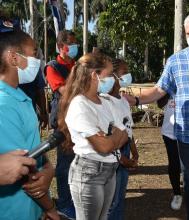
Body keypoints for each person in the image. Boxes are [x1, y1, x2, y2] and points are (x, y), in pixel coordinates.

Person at [124, 11, 189, 220]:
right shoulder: (176, 61)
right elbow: (159, 90)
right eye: (188, 33)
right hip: (187, 136)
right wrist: (136, 100)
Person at [58, 53, 128, 220]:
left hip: (110, 170)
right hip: (89, 174)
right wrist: (112, 136)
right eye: (109, 74)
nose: (113, 79)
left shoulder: (106, 101)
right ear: (94, 75)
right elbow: (103, 146)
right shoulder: (79, 105)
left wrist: (109, 137)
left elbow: (124, 133)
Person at [0, 27, 59, 220]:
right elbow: (24, 172)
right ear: (13, 58)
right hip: (13, 211)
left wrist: (49, 168)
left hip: (30, 208)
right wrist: (50, 208)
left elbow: (31, 151)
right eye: (34, 54)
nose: (38, 60)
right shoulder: (4, 105)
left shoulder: (19, 97)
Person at [45, 30, 78, 219]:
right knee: (65, 164)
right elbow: (65, 91)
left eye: (75, 43)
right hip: (63, 121)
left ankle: (73, 199)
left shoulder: (76, 63)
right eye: (70, 44)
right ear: (60, 46)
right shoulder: (53, 67)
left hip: (79, 118)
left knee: (75, 161)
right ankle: (64, 204)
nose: (74, 47)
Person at [106, 58, 139, 220]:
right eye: (124, 73)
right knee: (111, 200)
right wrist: (123, 158)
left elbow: (129, 130)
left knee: (119, 197)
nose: (128, 76)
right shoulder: (105, 102)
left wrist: (135, 153)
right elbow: (107, 137)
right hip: (113, 155)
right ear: (113, 76)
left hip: (124, 151)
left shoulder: (123, 101)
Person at [157, 95, 182, 210]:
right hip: (170, 133)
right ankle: (177, 194)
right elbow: (159, 103)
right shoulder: (168, 84)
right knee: (174, 163)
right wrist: (168, 90)